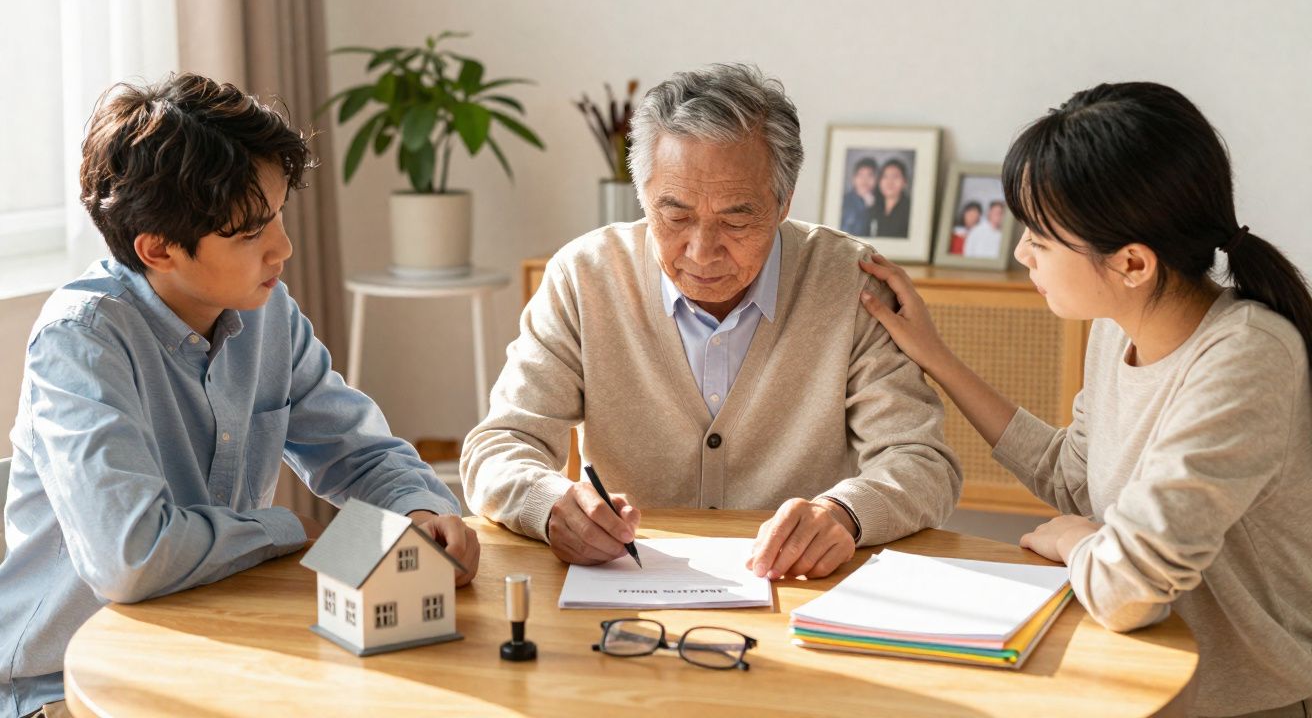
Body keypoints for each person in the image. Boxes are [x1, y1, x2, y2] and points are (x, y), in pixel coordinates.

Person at [0, 73, 481, 718]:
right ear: (157, 249)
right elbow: (132, 558)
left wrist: (418, 511)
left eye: (278, 215)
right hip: (68, 692)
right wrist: (290, 530)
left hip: (214, 659)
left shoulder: (266, 310)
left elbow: (357, 453)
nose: (282, 248)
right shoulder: (80, 344)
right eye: (250, 232)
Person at [858, 82, 1312, 718]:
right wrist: (936, 356)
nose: (1021, 254)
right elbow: (1073, 477)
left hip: (1239, 702)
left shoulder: (1247, 358)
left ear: (1132, 264)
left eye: (1040, 241)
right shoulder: (1117, 328)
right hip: (1135, 683)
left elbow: (1130, 588)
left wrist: (1078, 543)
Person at [462, 63, 960, 583]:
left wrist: (846, 514)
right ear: (643, 196)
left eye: (736, 219)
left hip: (799, 591)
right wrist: (551, 503)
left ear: (784, 202)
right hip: (626, 593)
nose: (702, 251)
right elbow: (497, 448)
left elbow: (922, 462)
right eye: (674, 216)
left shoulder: (850, 284)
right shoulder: (583, 277)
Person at [871, 159, 911, 238]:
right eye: (885, 177)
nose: (889, 182)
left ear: (905, 182)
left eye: (895, 177)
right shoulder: (873, 209)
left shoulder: (910, 210)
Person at [839, 157, 878, 236]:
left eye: (870, 175)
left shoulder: (878, 202)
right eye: (860, 175)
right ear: (854, 179)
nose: (865, 180)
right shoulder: (844, 202)